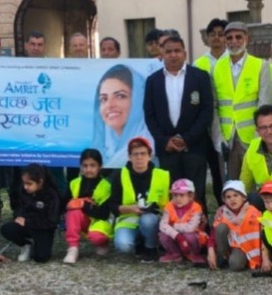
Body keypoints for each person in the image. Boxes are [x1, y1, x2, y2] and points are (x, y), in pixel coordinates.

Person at [143, 34, 214, 208]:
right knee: (172, 194)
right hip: (167, 149)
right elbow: (149, 114)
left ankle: (200, 232)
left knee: (196, 193)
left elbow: (206, 111)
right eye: (168, 51)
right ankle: (173, 231)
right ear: (162, 54)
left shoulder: (200, 77)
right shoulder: (153, 81)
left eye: (177, 51)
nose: (173, 55)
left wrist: (187, 138)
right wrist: (164, 140)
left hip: (195, 146)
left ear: (185, 53)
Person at [212, 21, 272, 182]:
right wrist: (218, 138)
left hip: (252, 138)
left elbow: (265, 104)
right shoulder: (217, 68)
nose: (234, 41)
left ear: (247, 38)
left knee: (254, 187)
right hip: (227, 139)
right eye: (230, 37)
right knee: (231, 188)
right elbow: (214, 107)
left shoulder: (260, 65)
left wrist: (259, 136)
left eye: (238, 37)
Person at [107, 137, 169, 260]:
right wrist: (130, 209)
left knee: (148, 220)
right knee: (124, 246)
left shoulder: (162, 175)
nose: (139, 157)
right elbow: (112, 205)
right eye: (135, 154)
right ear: (129, 157)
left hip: (152, 218)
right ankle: (138, 242)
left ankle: (150, 247)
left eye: (143, 153)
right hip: (128, 218)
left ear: (149, 156)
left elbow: (168, 203)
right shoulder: (119, 174)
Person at [193, 17, 228, 205]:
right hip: (204, 126)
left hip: (228, 125)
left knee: (226, 174)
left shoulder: (232, 61)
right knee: (212, 171)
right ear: (207, 38)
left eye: (221, 34)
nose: (216, 38)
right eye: (212, 34)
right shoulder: (199, 63)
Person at [93, 63, 154, 169]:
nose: (110, 105)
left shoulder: (151, 151)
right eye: (104, 99)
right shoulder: (101, 149)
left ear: (138, 100)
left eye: (120, 96)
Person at [0, 163, 60, 263]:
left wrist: (28, 222)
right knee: (6, 229)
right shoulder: (23, 191)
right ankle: (25, 245)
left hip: (43, 229)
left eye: (29, 184)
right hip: (26, 226)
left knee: (41, 258)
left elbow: (51, 221)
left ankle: (38, 246)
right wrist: (18, 216)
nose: (25, 187)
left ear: (40, 182)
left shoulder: (51, 195)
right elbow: (18, 207)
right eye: (24, 183)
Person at [63, 148, 113, 264]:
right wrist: (79, 203)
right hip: (82, 220)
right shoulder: (74, 183)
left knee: (96, 237)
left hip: (99, 222)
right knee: (73, 211)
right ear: (80, 166)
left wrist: (83, 203)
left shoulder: (107, 186)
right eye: (85, 166)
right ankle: (73, 248)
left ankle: (103, 243)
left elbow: (104, 214)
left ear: (100, 167)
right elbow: (65, 204)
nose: (88, 169)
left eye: (92, 165)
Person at [206, 180, 262, 271]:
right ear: (224, 200)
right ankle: (223, 257)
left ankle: (242, 259)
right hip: (232, 246)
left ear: (243, 197)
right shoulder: (222, 213)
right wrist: (210, 251)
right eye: (228, 197)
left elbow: (262, 233)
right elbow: (213, 233)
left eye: (236, 195)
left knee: (235, 265)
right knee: (220, 228)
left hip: (247, 246)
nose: (232, 199)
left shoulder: (253, 212)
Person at [157, 179, 207, 265]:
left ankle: (193, 253)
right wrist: (177, 236)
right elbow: (162, 225)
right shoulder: (169, 206)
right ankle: (175, 253)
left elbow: (191, 227)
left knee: (190, 236)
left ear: (191, 196)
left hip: (192, 236)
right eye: (175, 195)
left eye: (182, 195)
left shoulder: (196, 207)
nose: (178, 198)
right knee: (163, 235)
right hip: (177, 237)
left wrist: (173, 226)